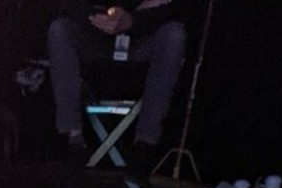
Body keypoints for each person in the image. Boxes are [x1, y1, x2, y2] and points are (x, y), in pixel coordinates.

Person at [48, 0, 193, 173]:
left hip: (141, 39)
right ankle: (72, 137)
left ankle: (146, 143)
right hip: (94, 36)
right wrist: (95, 17)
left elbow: (176, 9)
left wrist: (132, 20)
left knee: (174, 35)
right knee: (59, 30)